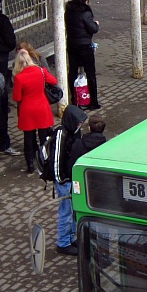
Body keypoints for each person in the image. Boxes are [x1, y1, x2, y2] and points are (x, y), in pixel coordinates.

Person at [49, 104, 87, 256]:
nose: (80, 125)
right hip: (64, 181)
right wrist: (62, 181)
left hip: (71, 179)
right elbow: (56, 162)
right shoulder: (61, 135)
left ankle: (71, 238)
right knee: (66, 212)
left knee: (72, 212)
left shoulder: (73, 132)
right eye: (78, 122)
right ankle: (63, 242)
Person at [12, 47, 57, 174]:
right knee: (44, 138)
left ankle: (30, 166)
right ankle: (45, 162)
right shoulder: (41, 71)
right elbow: (54, 81)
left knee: (28, 139)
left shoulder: (19, 78)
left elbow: (17, 97)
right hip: (42, 108)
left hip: (28, 110)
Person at [65, 0, 101, 109]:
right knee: (90, 73)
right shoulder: (85, 13)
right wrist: (96, 24)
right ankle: (93, 102)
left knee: (73, 72)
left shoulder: (68, 11)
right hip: (85, 46)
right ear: (85, 1)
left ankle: (74, 99)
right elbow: (92, 28)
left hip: (71, 44)